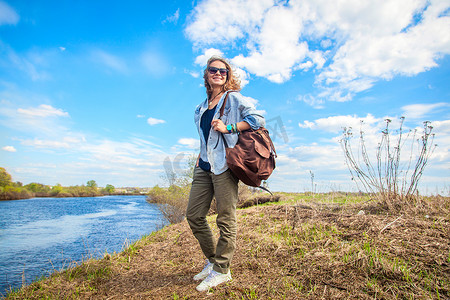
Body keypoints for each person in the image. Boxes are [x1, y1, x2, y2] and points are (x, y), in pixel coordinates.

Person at [186, 56, 265, 292]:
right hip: (204, 166)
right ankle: (212, 261)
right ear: (207, 75)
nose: (218, 73)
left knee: (225, 218)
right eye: (214, 70)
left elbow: (257, 120)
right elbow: (204, 138)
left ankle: (222, 270)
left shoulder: (233, 99)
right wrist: (201, 156)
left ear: (227, 75)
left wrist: (229, 127)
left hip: (225, 166)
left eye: (223, 71)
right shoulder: (200, 107)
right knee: (194, 216)